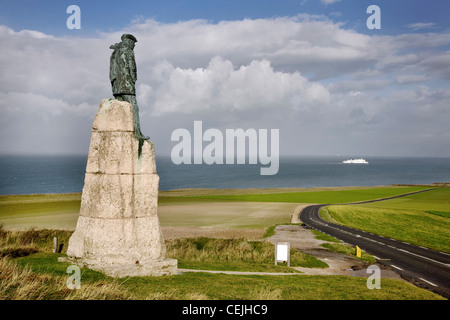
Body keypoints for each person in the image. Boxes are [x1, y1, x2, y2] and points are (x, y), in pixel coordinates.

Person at [110, 34, 149, 140]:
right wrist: (133, 80)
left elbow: (112, 71)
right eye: (133, 44)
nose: (133, 46)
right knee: (134, 108)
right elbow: (132, 69)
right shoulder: (128, 51)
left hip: (116, 87)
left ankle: (121, 134)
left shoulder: (115, 52)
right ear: (129, 42)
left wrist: (114, 85)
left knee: (121, 109)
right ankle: (137, 133)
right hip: (127, 86)